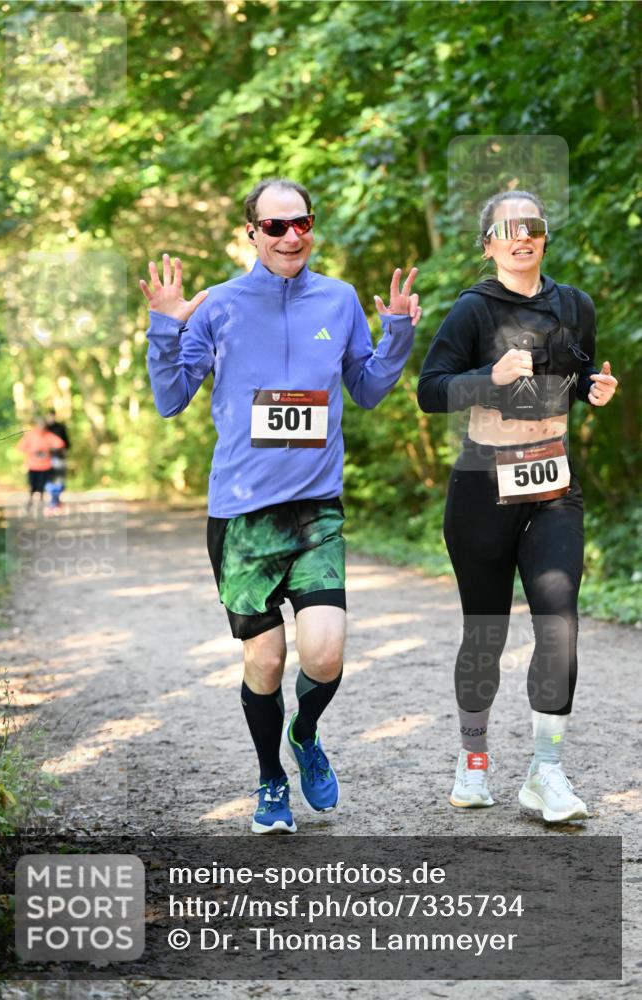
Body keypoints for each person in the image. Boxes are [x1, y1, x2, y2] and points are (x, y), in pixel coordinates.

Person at [141, 178, 421, 834]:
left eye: (301, 223)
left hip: (315, 509)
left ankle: (305, 734)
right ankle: (270, 779)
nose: (291, 236)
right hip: (241, 515)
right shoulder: (217, 307)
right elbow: (169, 397)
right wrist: (164, 325)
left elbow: (370, 387)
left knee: (324, 656)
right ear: (251, 233)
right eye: (275, 227)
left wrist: (399, 333)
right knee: (264, 662)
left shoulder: (339, 298)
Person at [417, 191, 617, 823]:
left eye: (532, 226)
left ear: (544, 237)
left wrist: (594, 389)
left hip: (553, 483)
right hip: (482, 484)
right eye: (508, 229)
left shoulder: (574, 306)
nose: (521, 237)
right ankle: (474, 760)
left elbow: (574, 378)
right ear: (489, 244)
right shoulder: (473, 311)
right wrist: (489, 379)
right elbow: (430, 391)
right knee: (487, 631)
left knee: (558, 622)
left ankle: (545, 772)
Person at [17, 416, 67, 514]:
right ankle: (31, 501)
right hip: (33, 465)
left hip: (45, 466)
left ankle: (40, 502)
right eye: (39, 425)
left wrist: (49, 450)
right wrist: (32, 452)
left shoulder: (49, 435)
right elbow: (20, 447)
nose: (41, 427)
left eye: (43, 425)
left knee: (41, 485)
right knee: (33, 485)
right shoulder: (30, 435)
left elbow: (60, 444)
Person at [44, 410, 70, 514]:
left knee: (59, 480)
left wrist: (64, 450)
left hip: (59, 456)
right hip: (47, 459)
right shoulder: (45, 429)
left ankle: (56, 501)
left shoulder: (60, 427)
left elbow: (67, 442)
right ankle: (53, 503)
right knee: (49, 481)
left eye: (52, 416)